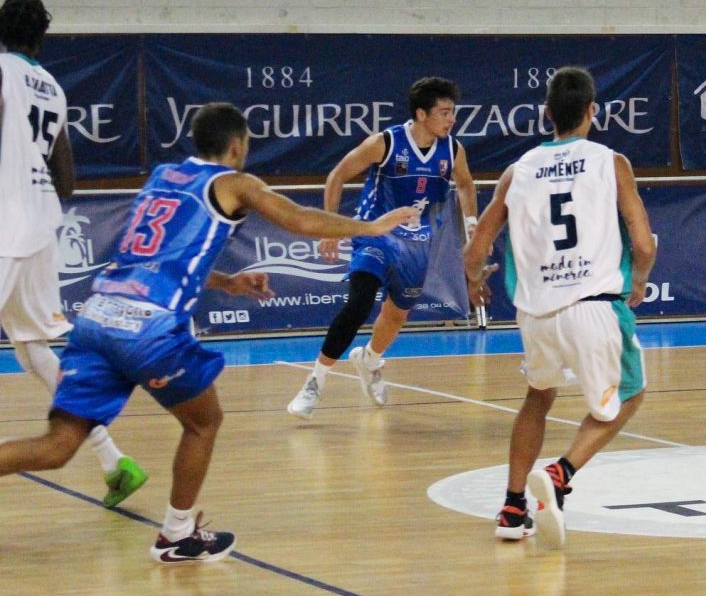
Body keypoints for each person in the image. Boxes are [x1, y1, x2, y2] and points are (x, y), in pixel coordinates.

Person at [0, 102, 417, 563]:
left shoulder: (163, 177)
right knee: (204, 422)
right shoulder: (235, 183)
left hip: (98, 316)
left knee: (58, 446)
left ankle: (178, 531)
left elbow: (152, 252)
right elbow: (299, 219)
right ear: (237, 145)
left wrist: (226, 282)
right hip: (148, 325)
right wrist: (370, 226)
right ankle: (177, 534)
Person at [464, 66, 656, 549]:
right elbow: (643, 241)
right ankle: (561, 472)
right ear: (593, 112)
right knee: (630, 395)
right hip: (594, 305)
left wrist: (473, 281)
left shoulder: (517, 171)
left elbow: (476, 248)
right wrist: (640, 278)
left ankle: (511, 507)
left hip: (536, 313)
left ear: (546, 114)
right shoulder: (611, 162)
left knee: (538, 397)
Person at [0, 0, 148, 508]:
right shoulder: (55, 89)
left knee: (32, 345)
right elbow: (67, 177)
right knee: (31, 346)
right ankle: (115, 461)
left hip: (3, 224)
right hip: (42, 226)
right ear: (41, 38)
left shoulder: (1, 70)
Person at [287, 77, 478, 417]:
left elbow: (465, 185)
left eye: (453, 113)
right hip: (374, 234)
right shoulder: (386, 142)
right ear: (422, 114)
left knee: (396, 316)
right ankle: (315, 383)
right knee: (359, 304)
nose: (451, 119)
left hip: (417, 244)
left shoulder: (453, 149)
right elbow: (337, 175)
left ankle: (370, 360)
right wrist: (330, 226)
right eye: (444, 112)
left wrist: (473, 226)